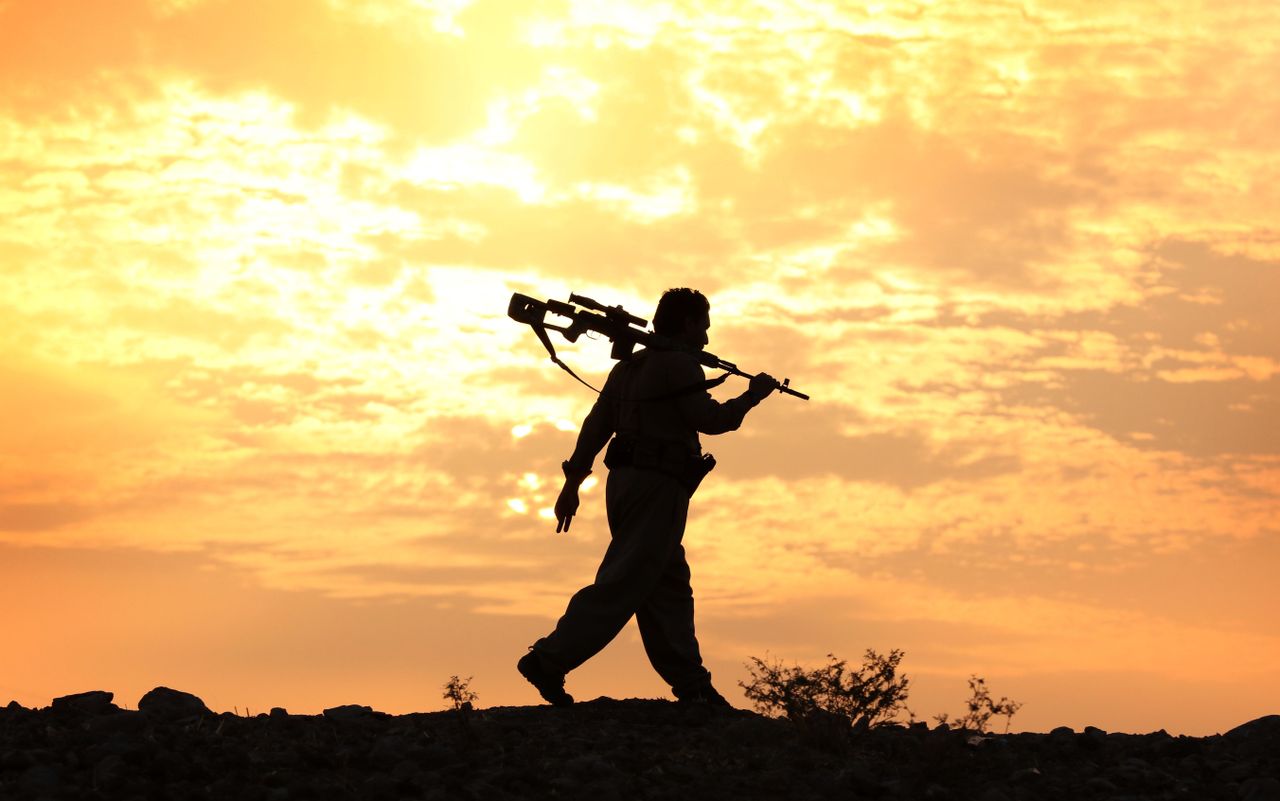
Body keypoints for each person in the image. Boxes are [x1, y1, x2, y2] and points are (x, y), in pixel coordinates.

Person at [517, 287, 780, 708]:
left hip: (625, 486)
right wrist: (753, 396)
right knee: (623, 582)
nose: (707, 339)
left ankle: (693, 686)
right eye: (703, 327)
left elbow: (595, 427)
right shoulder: (680, 366)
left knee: (668, 587)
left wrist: (573, 483)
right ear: (688, 323)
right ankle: (548, 660)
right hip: (658, 487)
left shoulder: (630, 368)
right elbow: (710, 420)